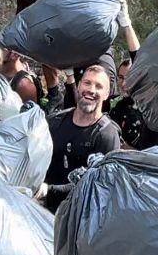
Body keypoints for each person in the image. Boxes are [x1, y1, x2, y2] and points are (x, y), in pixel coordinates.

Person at [42, 59, 120, 210]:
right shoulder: (54, 122)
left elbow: (100, 187)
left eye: (98, 86)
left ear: (106, 94)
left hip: (77, 219)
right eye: (87, 83)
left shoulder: (106, 136)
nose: (91, 90)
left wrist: (48, 190)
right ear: (78, 86)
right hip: (40, 211)